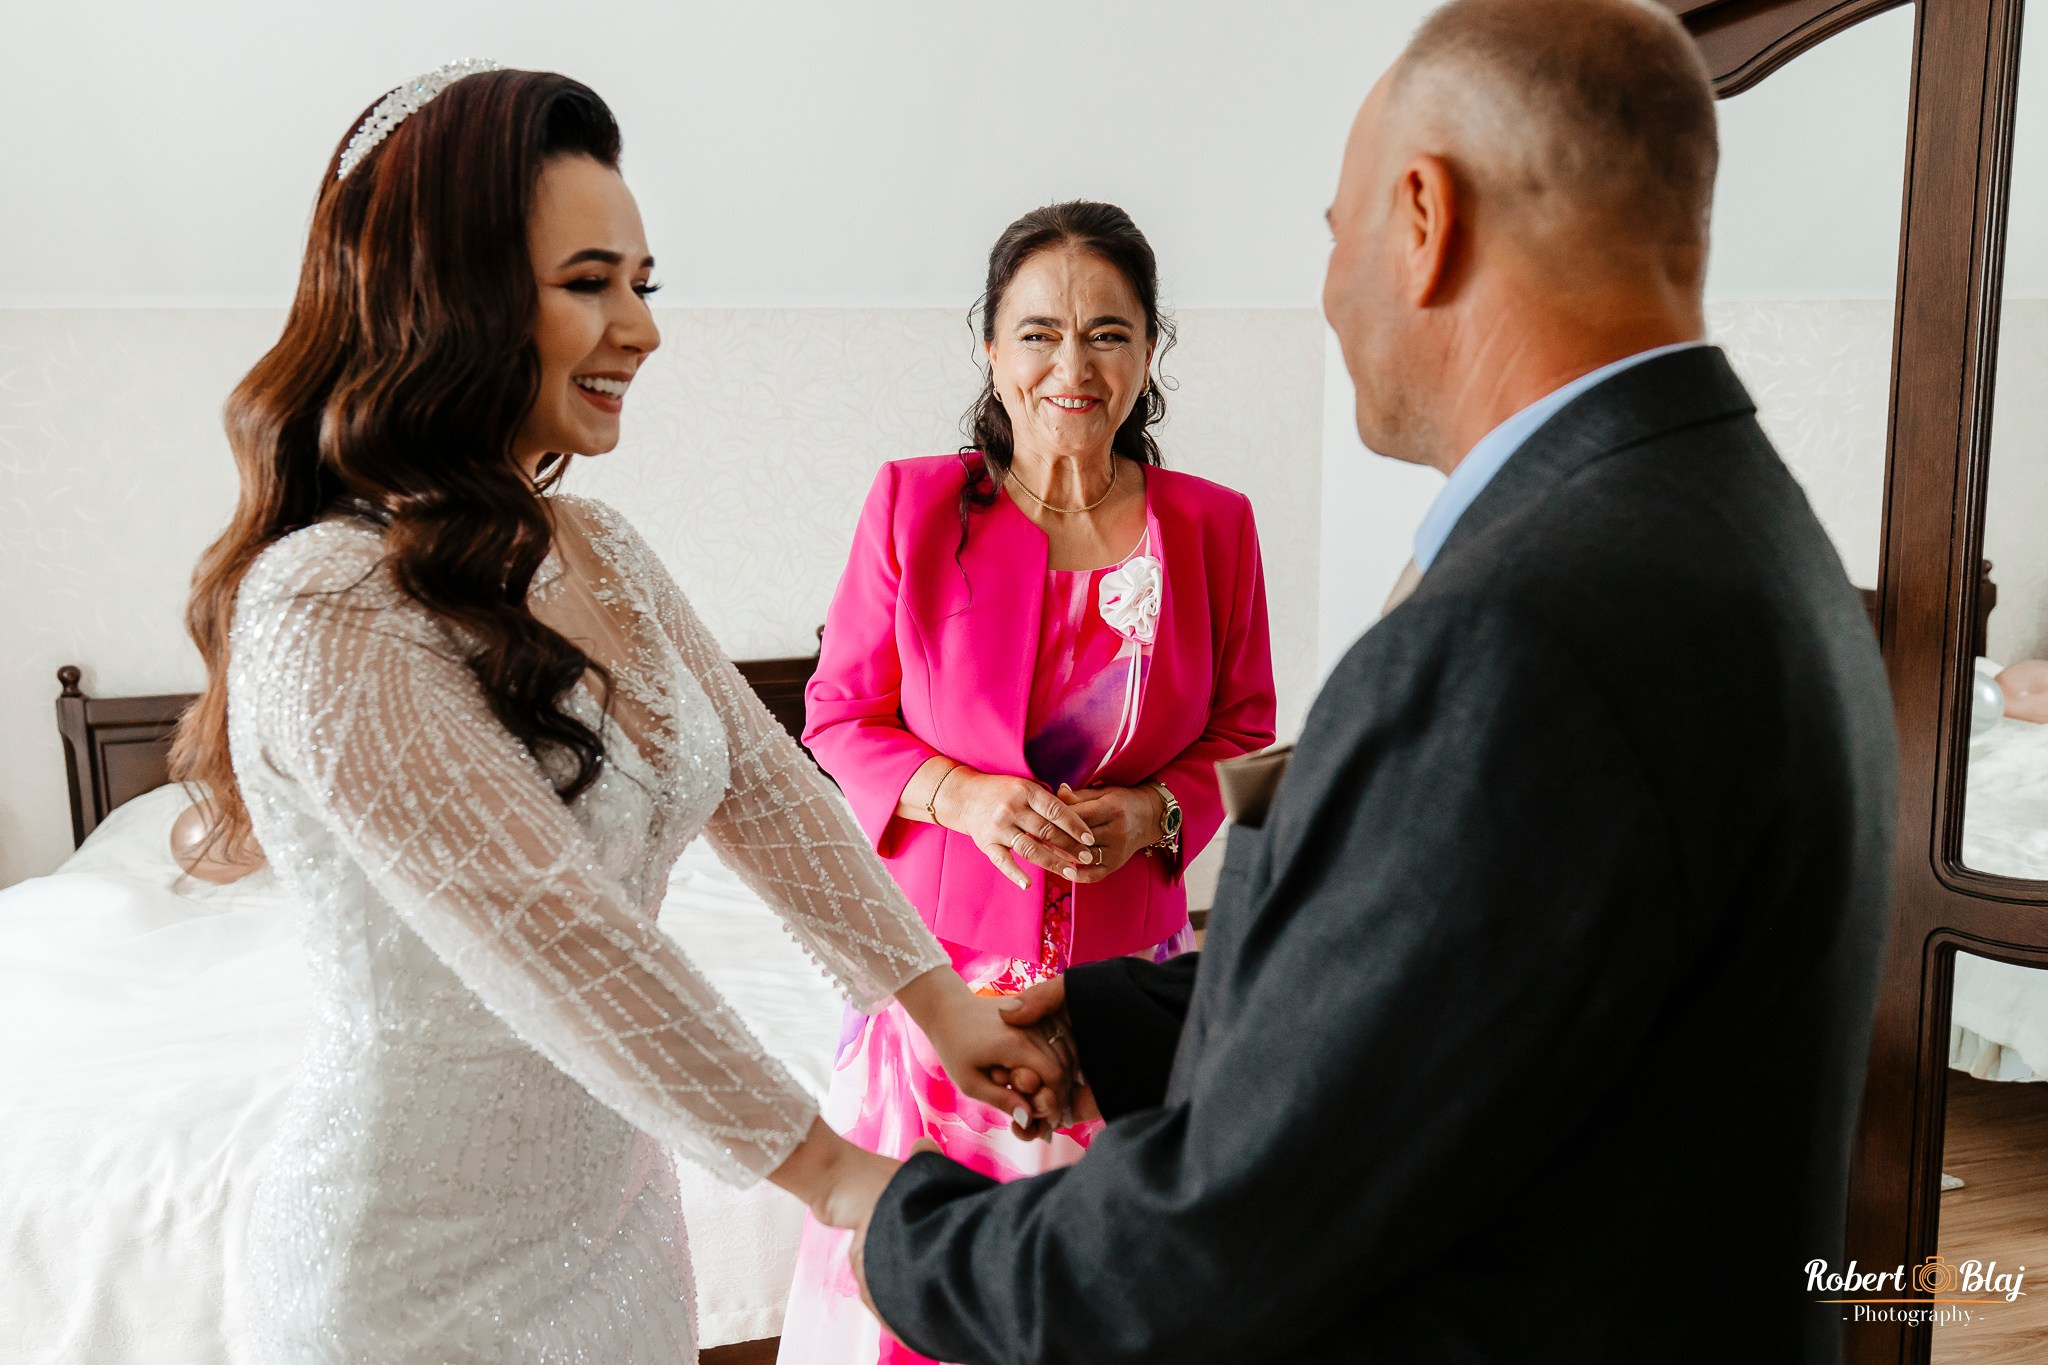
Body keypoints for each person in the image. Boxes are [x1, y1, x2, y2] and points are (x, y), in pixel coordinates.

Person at [816, 2, 1899, 1361]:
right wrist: (1104, 1012)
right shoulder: (1729, 517)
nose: (1330, 292)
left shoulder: (1523, 629)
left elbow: (1238, 1230)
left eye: (1335, 236)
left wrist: (887, 1225)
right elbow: (1451, 1000)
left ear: (1424, 220)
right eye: (1036, 334)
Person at [170, 63, 1060, 1361]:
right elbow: (556, 930)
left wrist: (947, 1009)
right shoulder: (321, 601)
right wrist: (834, 1176)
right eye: (590, 282)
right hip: (403, 1281)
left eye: (644, 285)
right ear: (445, 294)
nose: (640, 330)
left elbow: (771, 796)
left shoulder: (602, 546)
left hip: (621, 1228)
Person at [782, 201, 1276, 1363]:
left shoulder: (1210, 528)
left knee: (1110, 1308)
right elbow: (837, 715)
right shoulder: (912, 508)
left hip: (1129, 1003)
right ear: (991, 349)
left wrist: (1153, 813)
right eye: (1039, 331)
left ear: (1149, 350)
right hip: (941, 996)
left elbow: (1244, 728)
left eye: (1108, 332)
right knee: (923, 1308)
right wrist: (962, 794)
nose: (1073, 363)